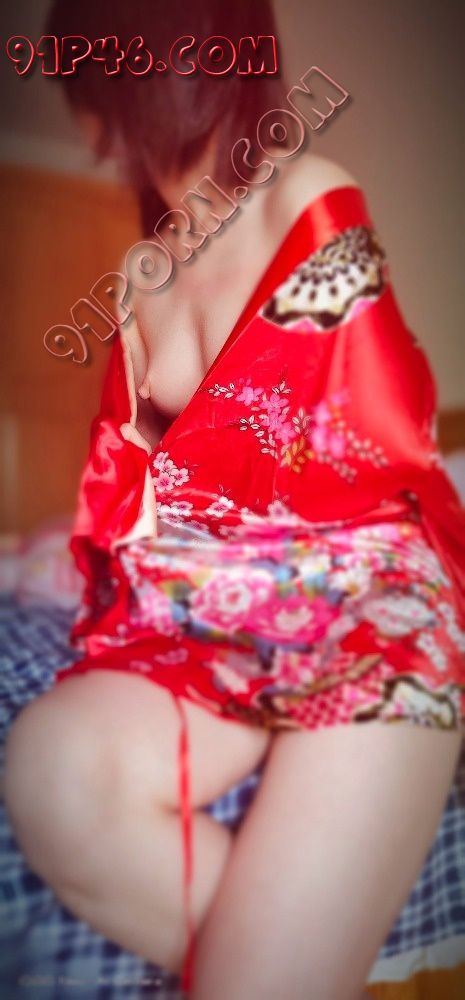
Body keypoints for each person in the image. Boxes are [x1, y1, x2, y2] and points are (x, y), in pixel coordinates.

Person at [4, 2, 465, 998]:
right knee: (52, 764)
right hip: (215, 616)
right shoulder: (140, 273)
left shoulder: (306, 196)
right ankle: (305, 958)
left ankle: (289, 961)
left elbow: (378, 445)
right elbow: (127, 485)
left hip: (359, 602)